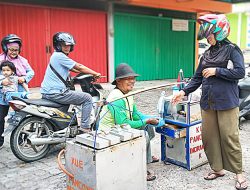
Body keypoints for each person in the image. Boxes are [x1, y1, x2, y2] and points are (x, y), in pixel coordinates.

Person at [172, 14, 247, 190]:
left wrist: (217, 71)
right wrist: (183, 92)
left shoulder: (232, 50)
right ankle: (217, 169)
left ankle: (239, 173)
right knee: (209, 138)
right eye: (207, 35)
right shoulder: (206, 54)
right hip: (208, 103)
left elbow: (240, 72)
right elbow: (197, 78)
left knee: (229, 137)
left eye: (210, 35)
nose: (208, 38)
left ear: (220, 32)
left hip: (227, 102)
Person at [99, 63, 164, 181]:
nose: (132, 81)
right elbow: (124, 124)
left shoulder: (128, 93)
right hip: (109, 132)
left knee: (148, 127)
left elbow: (135, 114)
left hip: (120, 128)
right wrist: (146, 120)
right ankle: (139, 168)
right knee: (143, 134)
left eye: (133, 78)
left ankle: (146, 157)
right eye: (128, 79)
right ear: (118, 81)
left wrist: (150, 118)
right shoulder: (116, 98)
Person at [41, 32, 101, 133]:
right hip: (56, 92)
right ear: (58, 45)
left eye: (69, 45)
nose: (67, 47)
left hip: (48, 92)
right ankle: (85, 127)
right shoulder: (60, 56)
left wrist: (89, 74)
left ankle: (60, 129)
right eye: (64, 45)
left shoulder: (56, 56)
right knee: (87, 98)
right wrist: (95, 73)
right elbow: (79, 67)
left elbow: (75, 69)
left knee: (67, 103)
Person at [0, 34, 34, 149]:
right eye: (11, 49)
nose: (14, 52)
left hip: (18, 93)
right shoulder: (1, 60)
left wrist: (24, 78)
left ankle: (20, 139)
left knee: (19, 116)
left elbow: (31, 72)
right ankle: (0, 140)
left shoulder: (23, 60)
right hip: (3, 95)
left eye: (16, 49)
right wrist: (1, 81)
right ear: (5, 48)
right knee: (1, 117)